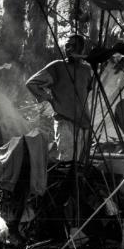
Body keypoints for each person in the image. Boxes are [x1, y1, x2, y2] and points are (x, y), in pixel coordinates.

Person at [26, 34, 93, 162]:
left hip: (83, 122)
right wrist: (49, 98)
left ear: (82, 48)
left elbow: (88, 92)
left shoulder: (86, 69)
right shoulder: (57, 66)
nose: (69, 49)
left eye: (74, 46)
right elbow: (32, 83)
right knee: (68, 160)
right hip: (64, 120)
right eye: (67, 45)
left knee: (81, 162)